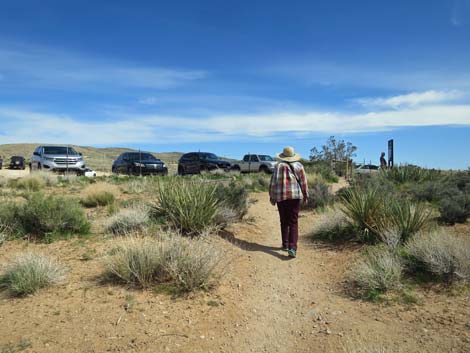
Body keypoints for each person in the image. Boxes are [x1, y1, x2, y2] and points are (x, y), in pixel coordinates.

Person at [269, 146, 308, 258]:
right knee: (293, 222)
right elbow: (304, 182)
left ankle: (285, 244)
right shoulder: (299, 166)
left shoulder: (278, 166)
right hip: (295, 197)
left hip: (281, 197)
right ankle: (292, 248)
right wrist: (305, 195)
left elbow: (273, 182)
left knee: (284, 220)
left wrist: (272, 196)